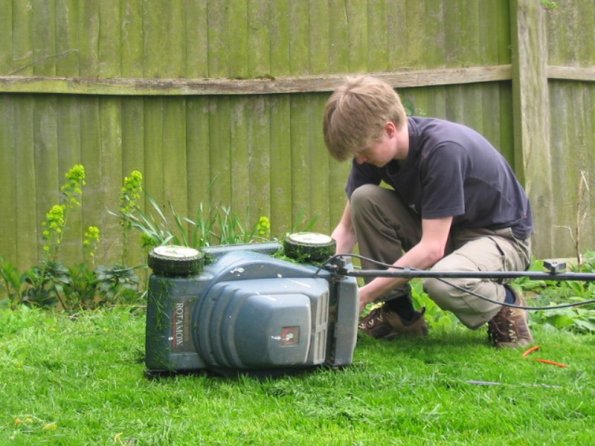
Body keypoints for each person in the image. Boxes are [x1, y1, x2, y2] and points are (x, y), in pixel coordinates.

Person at [323, 75, 533, 348]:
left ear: (389, 129)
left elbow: (432, 249)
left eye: (362, 151)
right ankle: (400, 313)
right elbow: (347, 229)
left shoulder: (443, 151)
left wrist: (362, 296)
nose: (360, 159)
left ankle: (506, 304)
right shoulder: (371, 154)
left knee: (443, 281)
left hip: (501, 238)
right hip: (449, 234)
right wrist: (323, 281)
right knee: (364, 198)